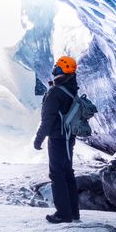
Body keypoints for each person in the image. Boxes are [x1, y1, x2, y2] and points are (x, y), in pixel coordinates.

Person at [33, 55, 81, 223]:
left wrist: (38, 139)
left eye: (58, 66)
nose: (55, 68)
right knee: (67, 173)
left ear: (61, 69)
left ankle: (63, 214)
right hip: (68, 137)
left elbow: (48, 120)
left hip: (58, 139)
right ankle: (73, 213)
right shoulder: (70, 88)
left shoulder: (55, 92)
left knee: (57, 175)